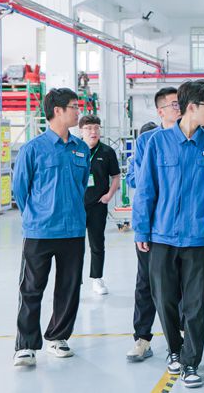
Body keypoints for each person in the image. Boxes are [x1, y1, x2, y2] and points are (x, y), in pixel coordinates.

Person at [133, 80, 204, 389]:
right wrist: (141, 228)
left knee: (195, 303)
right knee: (164, 299)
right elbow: (145, 190)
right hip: (161, 236)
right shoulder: (158, 142)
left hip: (198, 237)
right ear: (192, 107)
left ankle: (190, 362)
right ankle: (174, 349)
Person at [12, 88, 91, 367]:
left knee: (69, 287)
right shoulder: (33, 149)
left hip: (73, 230)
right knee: (32, 288)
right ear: (57, 111)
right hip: (40, 231)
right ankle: (25, 346)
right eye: (74, 106)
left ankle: (58, 337)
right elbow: (20, 190)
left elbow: (82, 185)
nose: (78, 111)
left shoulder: (81, 149)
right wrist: (36, 215)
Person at [125, 86, 181, 363]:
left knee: (181, 284)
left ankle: (180, 339)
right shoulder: (148, 140)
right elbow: (137, 180)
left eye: (181, 103)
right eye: (173, 104)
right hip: (153, 224)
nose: (179, 108)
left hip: (182, 227)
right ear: (160, 111)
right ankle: (142, 338)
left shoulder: (195, 138)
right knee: (146, 282)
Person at [78, 115, 120, 295]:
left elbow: (116, 177)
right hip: (77, 206)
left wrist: (109, 195)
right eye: (88, 128)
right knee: (75, 246)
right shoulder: (74, 149)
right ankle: (75, 281)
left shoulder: (107, 152)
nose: (93, 132)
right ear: (81, 131)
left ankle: (97, 279)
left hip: (97, 205)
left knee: (97, 244)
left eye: (96, 128)